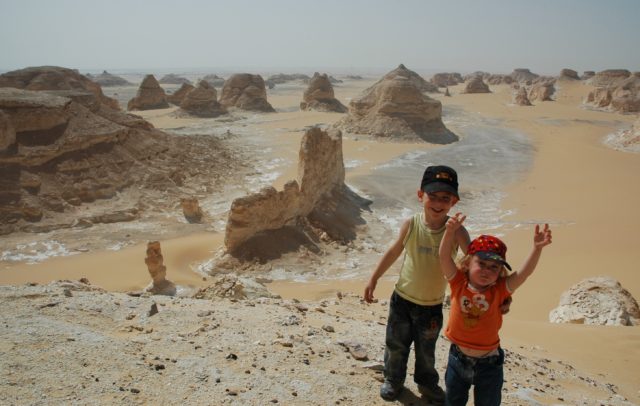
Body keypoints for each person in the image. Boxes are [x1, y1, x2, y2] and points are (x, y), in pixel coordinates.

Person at [364, 165, 470, 403]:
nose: (438, 203)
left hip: (431, 305)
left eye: (445, 198)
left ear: (454, 202)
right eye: (433, 196)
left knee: (426, 351)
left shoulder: (457, 231)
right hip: (402, 300)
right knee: (395, 345)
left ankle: (426, 383)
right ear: (421, 195)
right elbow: (394, 251)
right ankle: (393, 380)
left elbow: (472, 260)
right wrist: (374, 277)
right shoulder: (411, 224)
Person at [438, 213, 552, 406]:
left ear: (500, 271)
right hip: (457, 358)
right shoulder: (458, 282)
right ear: (467, 263)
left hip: (489, 364)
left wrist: (536, 249)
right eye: (481, 263)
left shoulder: (500, 290)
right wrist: (449, 232)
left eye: (494, 267)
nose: (486, 270)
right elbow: (443, 257)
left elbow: (523, 274)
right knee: (453, 401)